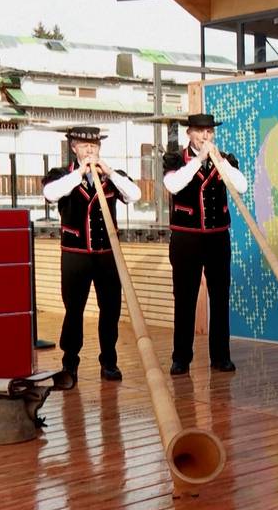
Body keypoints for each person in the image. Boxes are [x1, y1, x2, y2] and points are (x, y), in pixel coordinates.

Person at [42, 126, 142, 387]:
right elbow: (51, 194)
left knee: (110, 309)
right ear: (73, 147)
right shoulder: (62, 175)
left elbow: (135, 195)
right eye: (84, 145)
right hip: (76, 255)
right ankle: (70, 363)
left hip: (107, 255)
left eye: (94, 145)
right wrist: (80, 173)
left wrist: (107, 171)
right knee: (74, 310)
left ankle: (109, 361)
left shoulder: (111, 176)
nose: (90, 150)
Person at [162, 113, 248, 376]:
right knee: (185, 298)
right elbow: (174, 185)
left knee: (220, 297)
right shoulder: (176, 159)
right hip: (186, 237)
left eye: (209, 132)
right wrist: (199, 161)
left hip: (218, 237)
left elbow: (242, 186)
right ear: (190, 134)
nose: (206, 137)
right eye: (201, 132)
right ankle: (181, 357)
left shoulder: (224, 159)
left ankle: (221, 356)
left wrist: (219, 161)